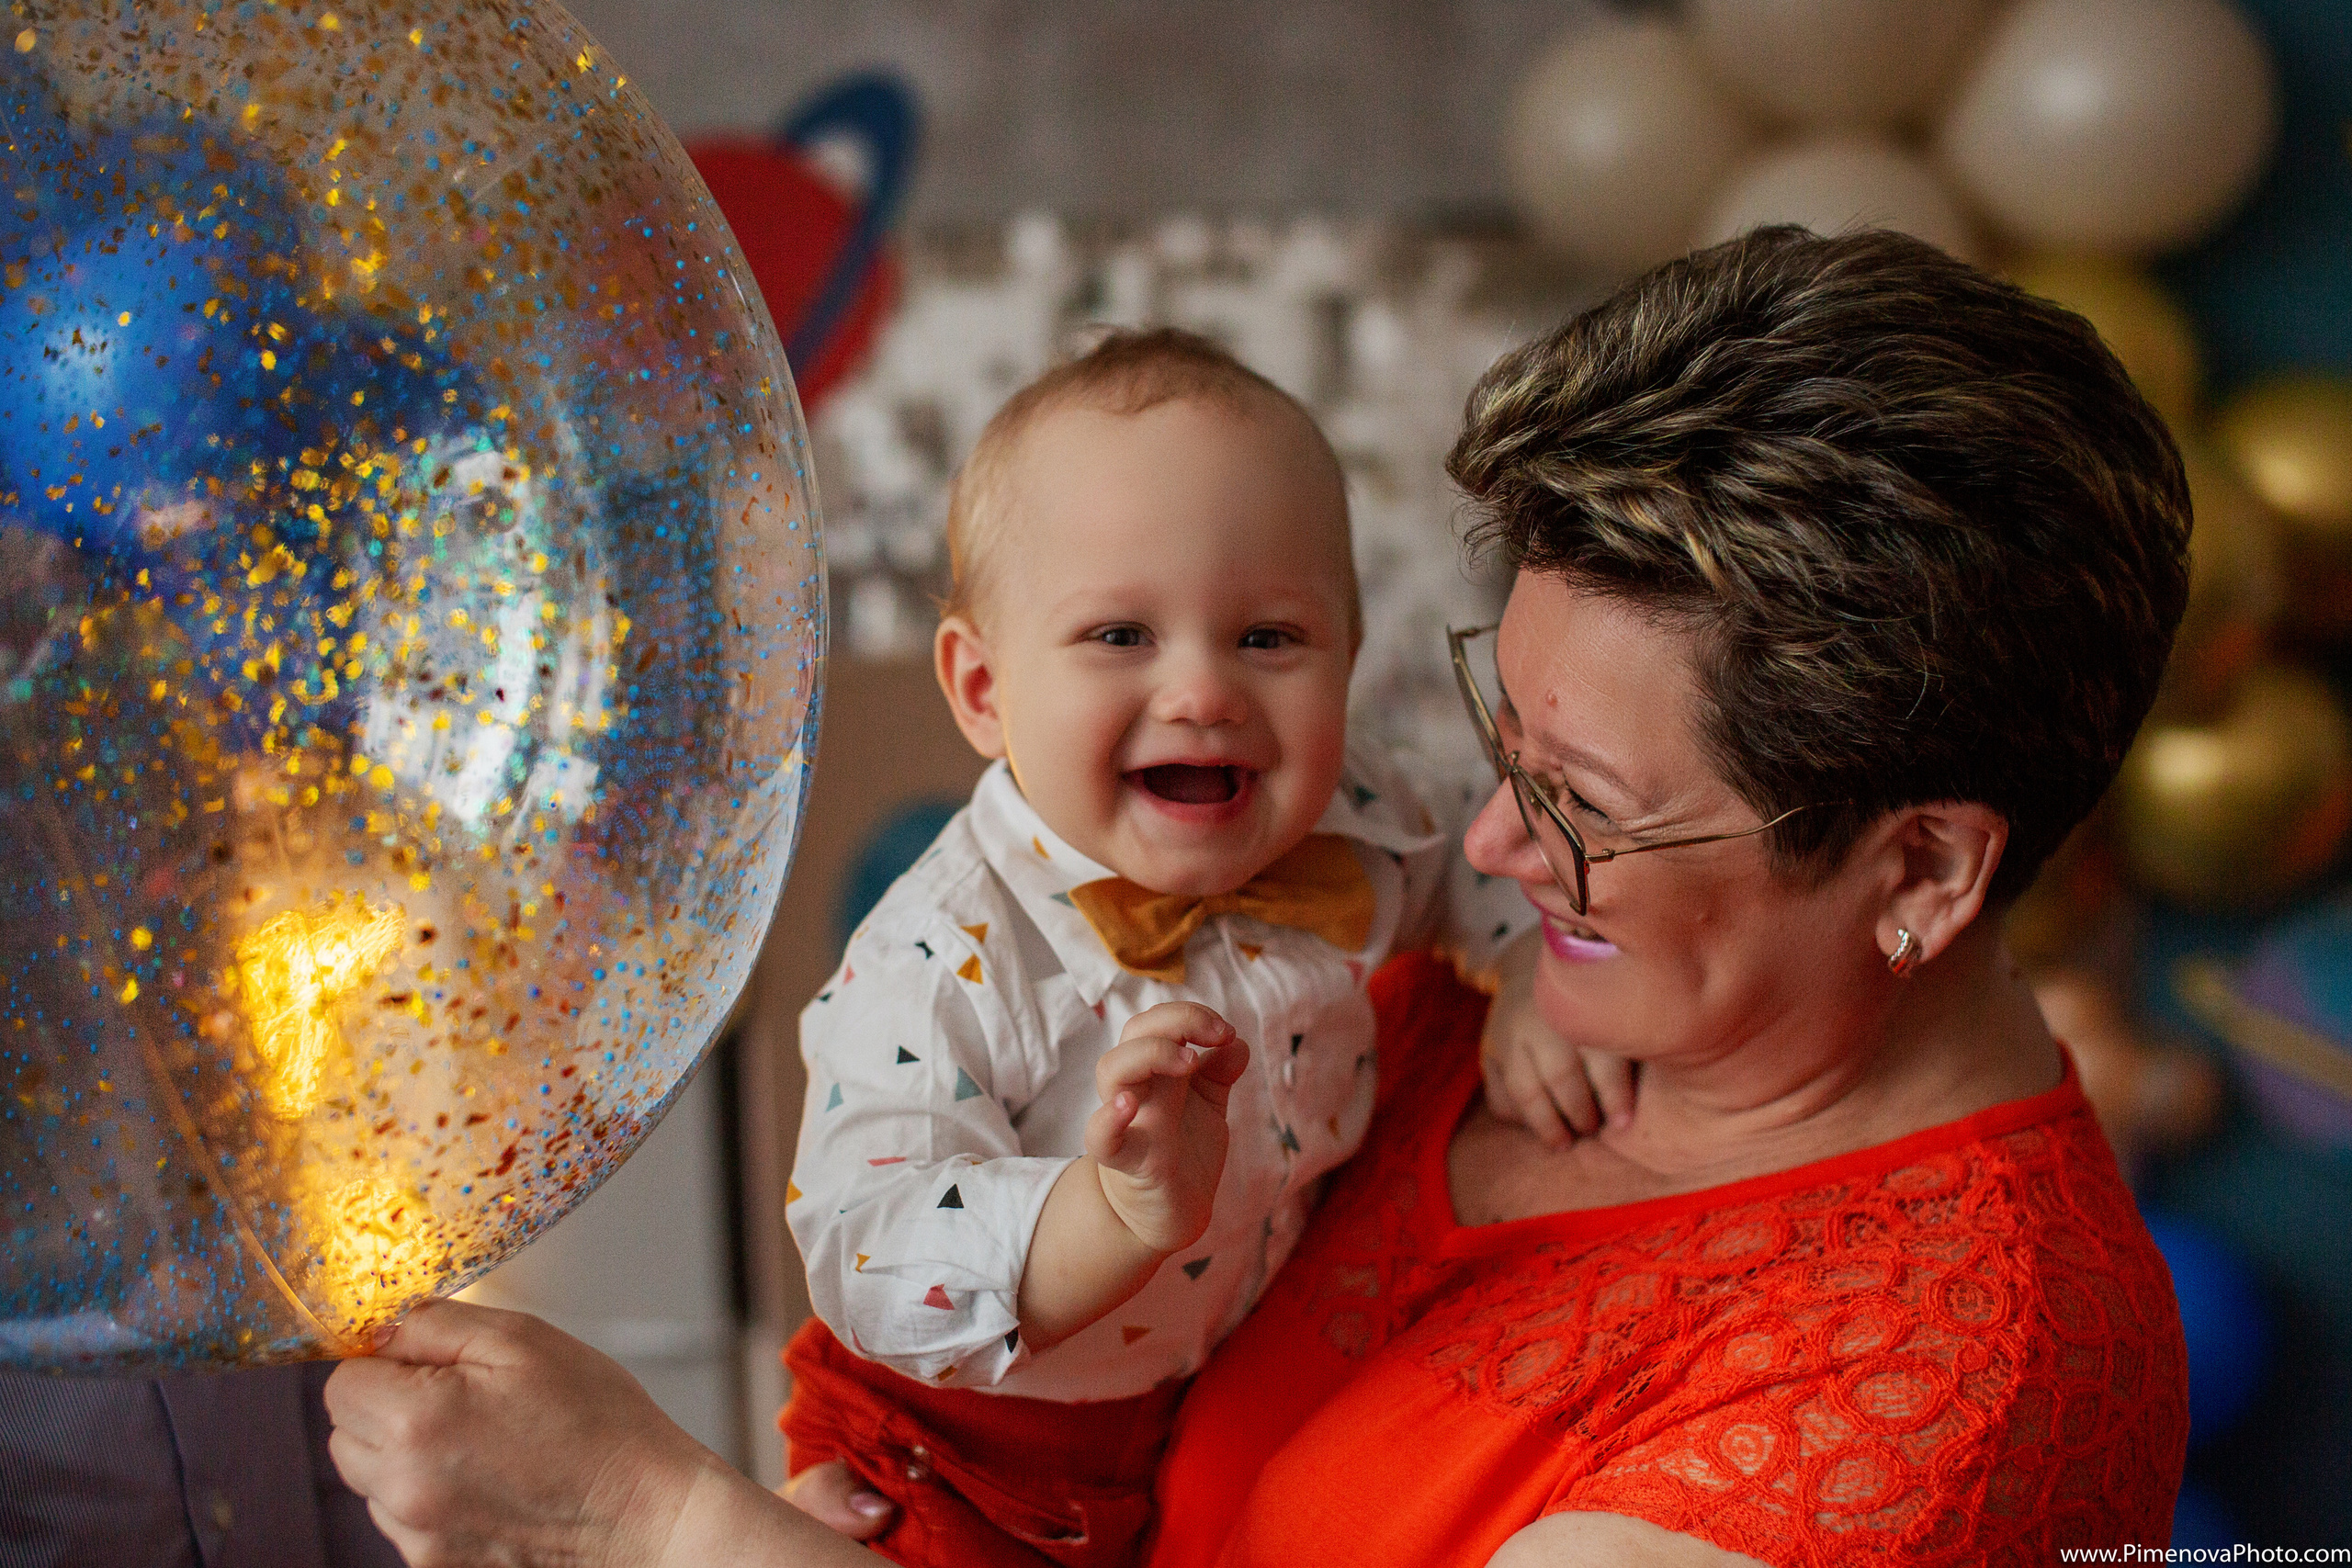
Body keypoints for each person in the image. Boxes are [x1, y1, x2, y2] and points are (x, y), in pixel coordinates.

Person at [323, 226, 2192, 1566]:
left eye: (1589, 806)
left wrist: (653, 1518)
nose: (1483, 847)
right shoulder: (1434, 978)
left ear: (1920, 868)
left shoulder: (1927, 1401)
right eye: (1501, 740)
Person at [777, 326, 1582, 1566]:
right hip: (959, 1446)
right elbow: (868, 1249)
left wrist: (1526, 968)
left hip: (1208, 1405)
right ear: (984, 691)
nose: (1204, 690)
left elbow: (1477, 869)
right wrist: (1110, 1208)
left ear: (1349, 661)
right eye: (1120, 638)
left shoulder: (1363, 817)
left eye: (1269, 638)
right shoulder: (943, 956)